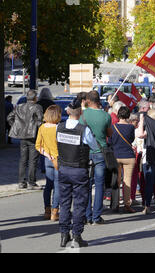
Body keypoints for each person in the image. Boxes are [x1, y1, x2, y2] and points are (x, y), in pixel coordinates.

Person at [57, 98, 98, 248]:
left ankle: (63, 234)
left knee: (64, 203)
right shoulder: (83, 129)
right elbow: (94, 146)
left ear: (68, 112)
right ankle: (76, 235)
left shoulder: (59, 127)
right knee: (80, 203)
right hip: (79, 169)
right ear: (80, 113)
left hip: (63, 169)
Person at [79, 91, 112, 225]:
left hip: (86, 151)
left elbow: (80, 130)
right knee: (99, 185)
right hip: (100, 151)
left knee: (86, 184)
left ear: (88, 100)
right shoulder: (106, 115)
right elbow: (109, 133)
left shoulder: (84, 115)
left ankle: (87, 215)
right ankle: (96, 216)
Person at [7, 90, 43, 190]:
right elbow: (40, 122)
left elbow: (9, 117)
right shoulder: (37, 107)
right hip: (33, 136)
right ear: (35, 98)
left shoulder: (19, 107)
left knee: (23, 160)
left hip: (22, 136)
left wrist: (16, 127)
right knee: (33, 160)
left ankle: (21, 182)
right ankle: (31, 182)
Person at [35, 105, 62, 221]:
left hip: (47, 159)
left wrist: (47, 154)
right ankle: (55, 211)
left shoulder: (42, 127)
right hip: (58, 159)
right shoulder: (58, 128)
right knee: (57, 186)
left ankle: (47, 209)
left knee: (48, 185)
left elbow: (38, 146)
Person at [110, 106, 136, 213]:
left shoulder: (113, 127)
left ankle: (115, 204)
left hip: (115, 155)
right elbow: (131, 139)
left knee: (116, 180)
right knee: (127, 180)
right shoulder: (130, 127)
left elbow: (110, 141)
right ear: (128, 115)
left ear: (118, 115)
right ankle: (127, 204)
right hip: (128, 156)